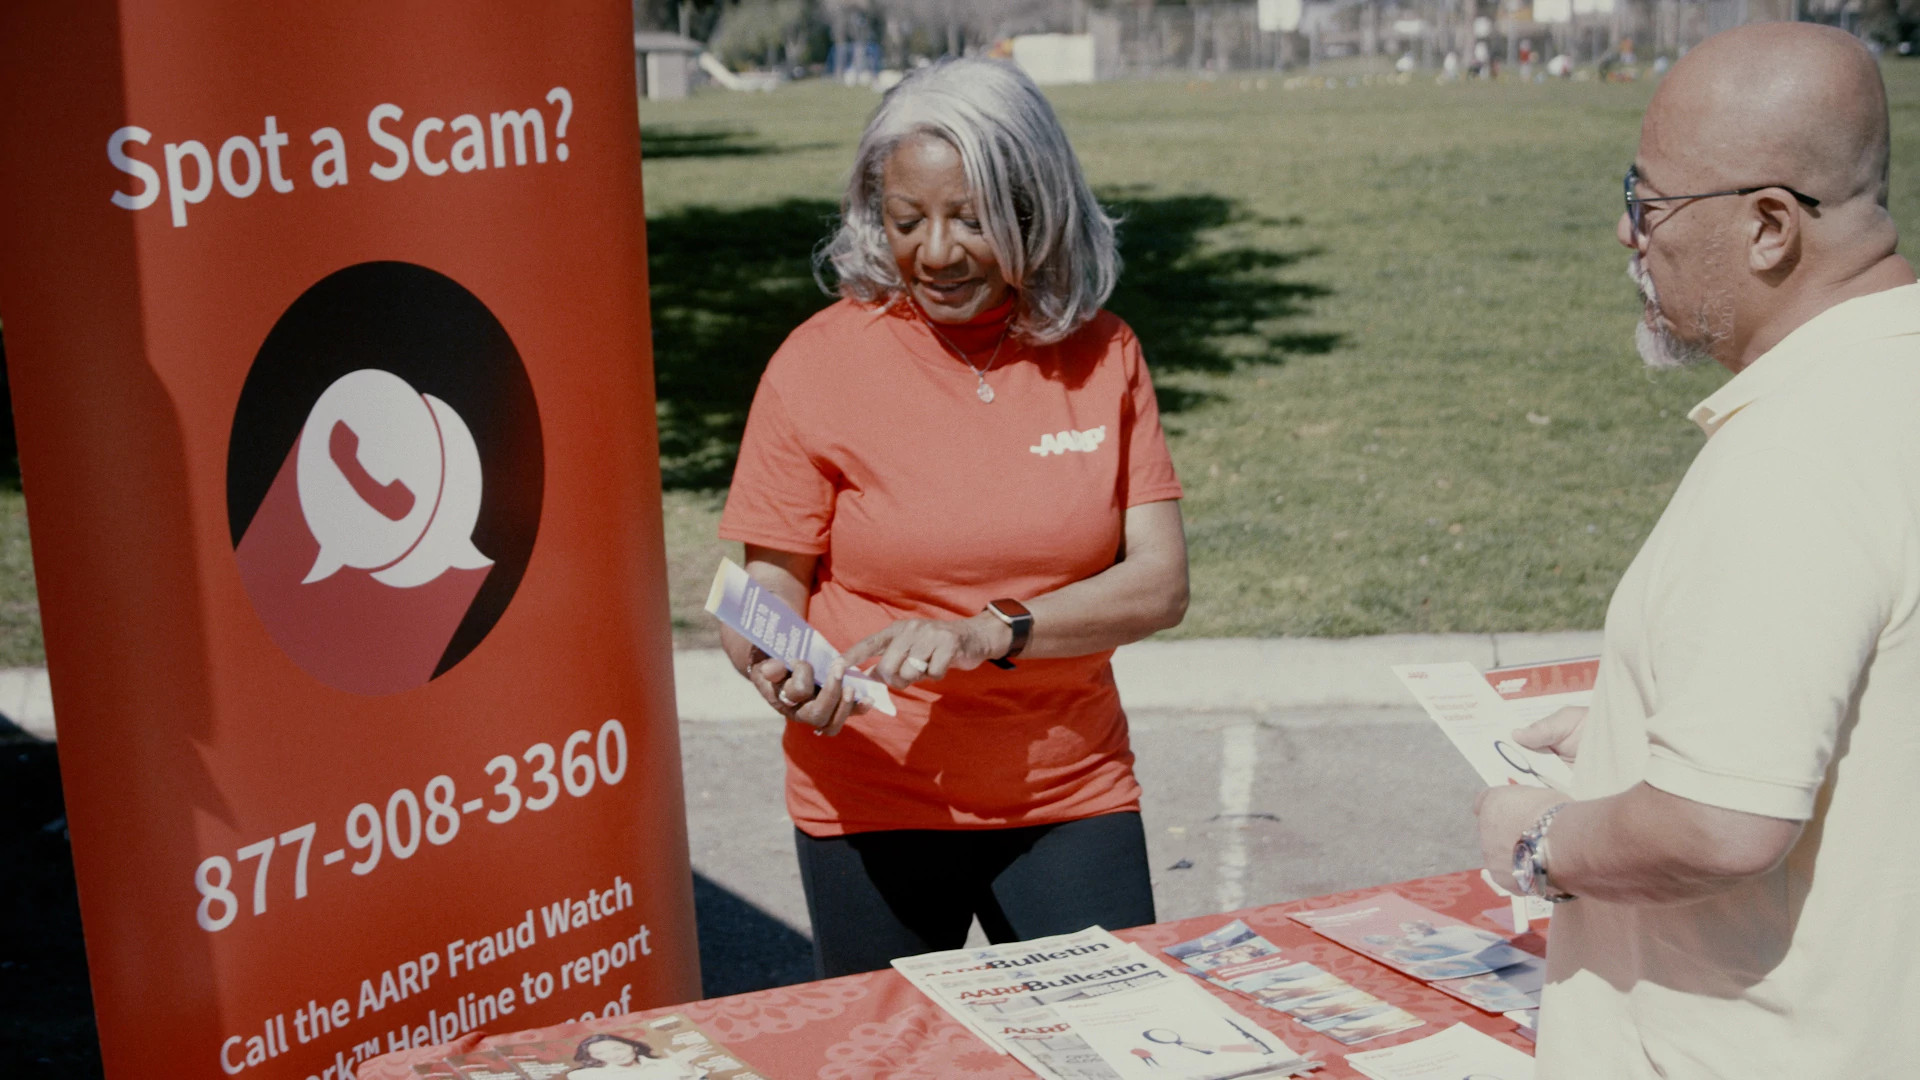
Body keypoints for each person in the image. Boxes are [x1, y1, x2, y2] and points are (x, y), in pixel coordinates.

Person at [1471, 22, 1920, 1078]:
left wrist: (1539, 844)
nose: (1629, 237)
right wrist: (1634, 725)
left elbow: (1721, 826)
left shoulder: (1797, 454)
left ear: (1770, 226)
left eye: (1649, 204)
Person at [716, 57, 1189, 978]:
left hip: (1067, 788)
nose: (935, 252)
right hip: (870, 794)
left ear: (1035, 211)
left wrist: (987, 633)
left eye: (971, 219)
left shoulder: (1104, 354)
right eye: (906, 221)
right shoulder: (816, 364)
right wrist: (771, 659)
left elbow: (1158, 584)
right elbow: (769, 579)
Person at [567, 1033, 702, 1078]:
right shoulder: (589, 1076)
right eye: (600, 1053)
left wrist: (687, 1067)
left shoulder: (667, 1064)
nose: (614, 1056)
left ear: (634, 1047)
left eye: (618, 1048)